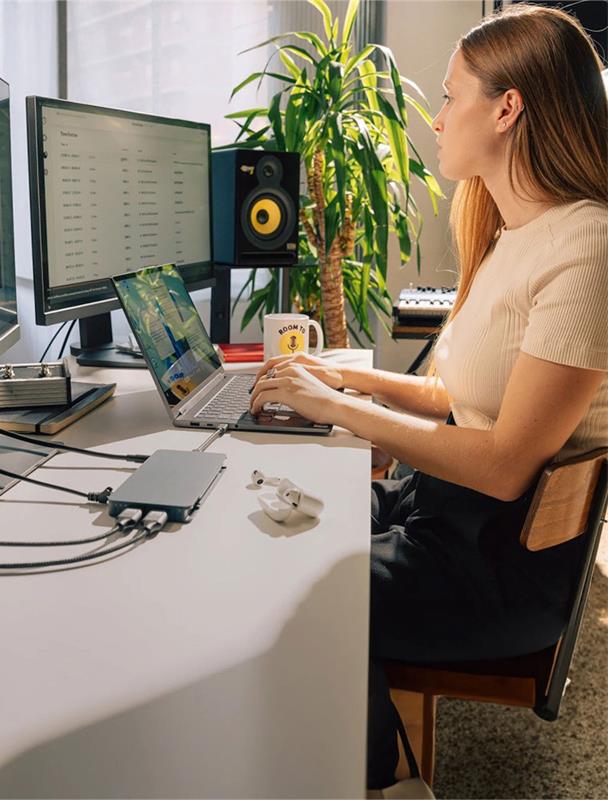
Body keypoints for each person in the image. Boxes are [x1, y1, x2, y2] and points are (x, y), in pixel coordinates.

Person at [249, 3, 607, 790]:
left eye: (451, 97)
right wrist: (345, 376)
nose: (438, 120)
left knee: (294, 589)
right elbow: (458, 395)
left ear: (507, 107)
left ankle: (379, 784)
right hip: (442, 513)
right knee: (275, 524)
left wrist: (339, 409)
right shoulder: (520, 234)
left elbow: (508, 464)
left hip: (497, 562)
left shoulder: (588, 247)